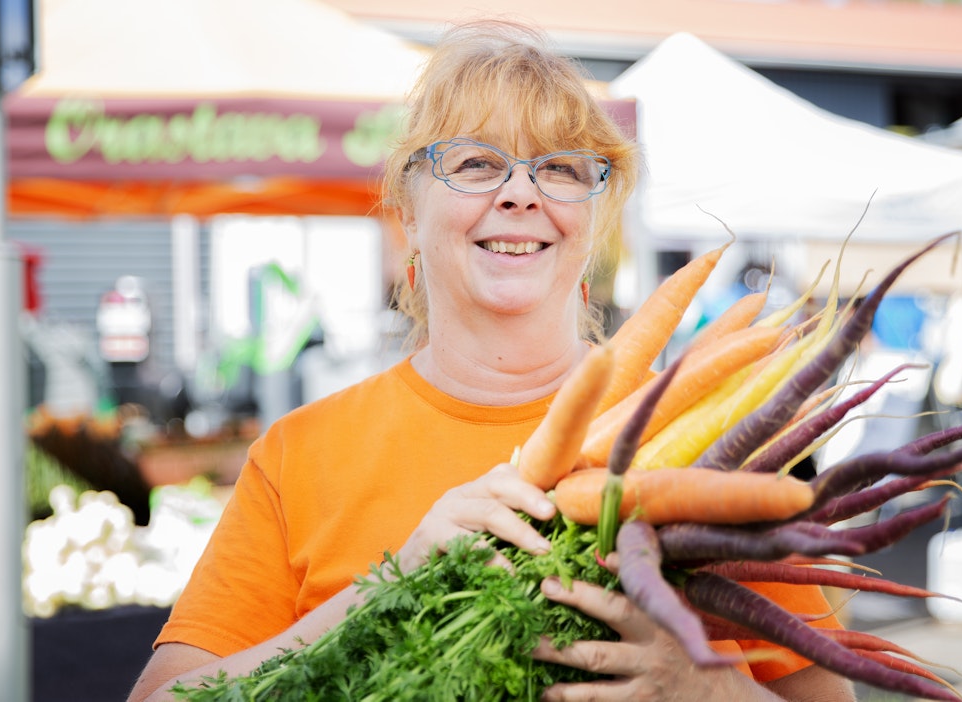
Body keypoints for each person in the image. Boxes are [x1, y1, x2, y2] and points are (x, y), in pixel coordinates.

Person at [129, 20, 855, 702]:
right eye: (477, 163)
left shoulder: (700, 445)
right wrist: (387, 586)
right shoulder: (299, 458)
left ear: (597, 215)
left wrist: (705, 691)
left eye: (561, 168)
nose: (519, 194)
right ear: (407, 211)